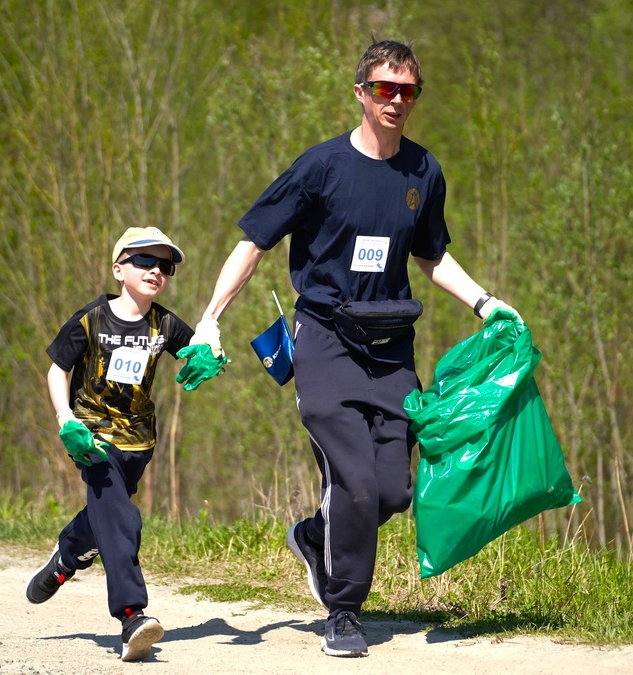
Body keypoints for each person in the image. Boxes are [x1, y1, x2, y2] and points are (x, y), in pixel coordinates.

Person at [188, 40, 521, 658]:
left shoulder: (424, 171)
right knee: (357, 485)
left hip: (392, 350)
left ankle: (316, 536)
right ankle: (343, 610)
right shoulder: (320, 168)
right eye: (383, 89)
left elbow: (431, 254)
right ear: (360, 93)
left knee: (393, 491)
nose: (395, 100)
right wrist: (210, 320)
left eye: (407, 90)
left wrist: (485, 302)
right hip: (325, 343)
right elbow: (254, 242)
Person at [26, 226, 204, 662]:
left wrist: (208, 352)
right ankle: (131, 616)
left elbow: (194, 348)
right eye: (145, 261)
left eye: (165, 265)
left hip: (139, 442)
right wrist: (65, 418)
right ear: (118, 268)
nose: (156, 271)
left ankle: (70, 551)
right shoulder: (90, 319)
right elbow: (55, 369)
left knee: (107, 512)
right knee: (123, 518)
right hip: (90, 435)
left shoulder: (163, 323)